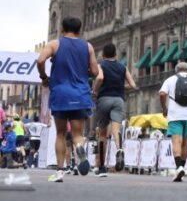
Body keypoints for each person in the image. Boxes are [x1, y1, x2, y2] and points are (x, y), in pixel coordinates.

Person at [37, 17, 101, 182]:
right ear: (80, 29)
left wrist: (44, 77)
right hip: (80, 93)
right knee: (77, 134)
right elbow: (95, 71)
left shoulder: (54, 44)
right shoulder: (88, 46)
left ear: (62, 28)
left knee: (60, 133)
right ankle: (79, 147)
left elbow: (40, 60)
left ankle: (59, 172)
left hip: (60, 93)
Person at [92, 44, 137, 176]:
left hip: (104, 99)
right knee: (116, 130)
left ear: (104, 55)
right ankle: (119, 149)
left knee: (102, 133)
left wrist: (95, 91)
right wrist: (120, 87)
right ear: (115, 54)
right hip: (119, 100)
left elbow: (99, 78)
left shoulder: (101, 65)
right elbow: (133, 85)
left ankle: (101, 167)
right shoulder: (122, 67)